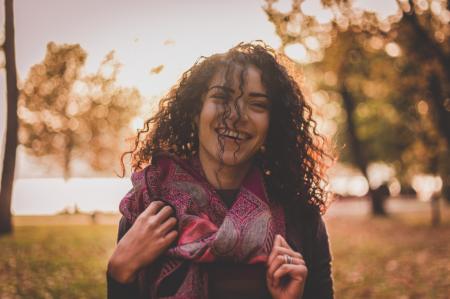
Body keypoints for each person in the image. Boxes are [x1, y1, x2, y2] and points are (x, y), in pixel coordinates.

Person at [107, 42, 334, 299]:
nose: (236, 116)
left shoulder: (300, 217)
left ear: (273, 122)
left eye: (257, 104)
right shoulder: (149, 207)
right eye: (222, 97)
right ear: (196, 111)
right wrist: (118, 273)